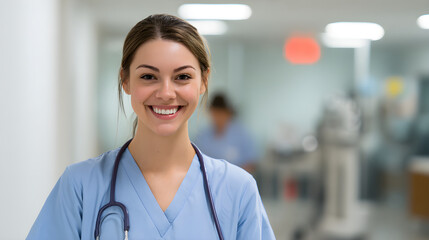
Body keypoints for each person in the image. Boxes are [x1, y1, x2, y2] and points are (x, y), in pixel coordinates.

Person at [27, 14, 275, 240]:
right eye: (148, 76)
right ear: (125, 80)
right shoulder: (80, 186)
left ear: (204, 81)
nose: (166, 93)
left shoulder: (238, 190)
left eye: (182, 77)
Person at [195, 93, 259, 173]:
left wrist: (236, 178)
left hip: (236, 180)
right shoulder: (204, 136)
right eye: (214, 113)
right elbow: (197, 161)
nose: (217, 117)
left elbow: (251, 163)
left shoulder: (242, 135)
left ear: (228, 113)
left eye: (220, 113)